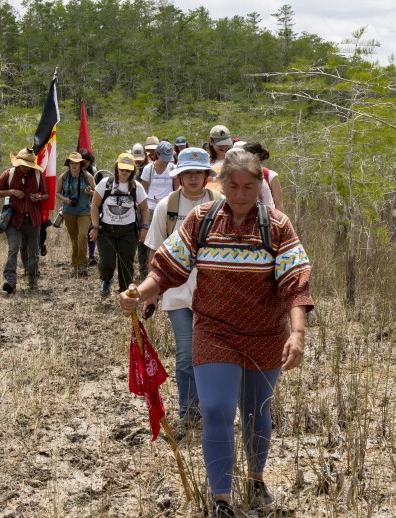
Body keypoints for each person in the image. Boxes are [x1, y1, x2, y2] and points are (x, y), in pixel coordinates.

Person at [119, 150, 313, 516]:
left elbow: (295, 283)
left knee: (257, 412)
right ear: (220, 185)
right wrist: (140, 293)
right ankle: (221, 498)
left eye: (249, 186)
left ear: (260, 185)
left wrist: (297, 332)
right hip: (213, 330)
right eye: (233, 185)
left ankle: (255, 480)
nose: (241, 194)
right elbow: (166, 267)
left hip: (265, 333)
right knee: (216, 409)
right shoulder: (201, 219)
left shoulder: (278, 226)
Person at [143, 146, 220, 434]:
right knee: (186, 354)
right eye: (187, 173)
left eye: (198, 173)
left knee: (211, 355)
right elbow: (155, 250)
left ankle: (209, 409)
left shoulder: (220, 203)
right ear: (179, 176)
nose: (193, 178)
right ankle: (188, 413)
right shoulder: (167, 206)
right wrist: (151, 291)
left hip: (214, 294)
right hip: (176, 293)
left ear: (205, 176)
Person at [0, 148, 49, 294]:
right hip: (14, 219)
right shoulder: (9, 174)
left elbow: (46, 194)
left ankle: (32, 280)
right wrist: (12, 192)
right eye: (24, 164)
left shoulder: (38, 175)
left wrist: (39, 197)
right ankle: (10, 281)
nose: (26, 167)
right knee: (13, 249)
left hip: (33, 219)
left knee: (33, 252)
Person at [91, 152, 150, 297]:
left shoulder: (136, 187)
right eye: (122, 169)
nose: (125, 172)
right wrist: (95, 227)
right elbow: (94, 206)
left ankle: (125, 293)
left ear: (133, 171)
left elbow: (144, 208)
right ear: (117, 168)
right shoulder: (105, 183)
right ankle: (106, 279)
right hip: (106, 230)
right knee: (106, 263)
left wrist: (144, 227)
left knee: (126, 264)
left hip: (128, 231)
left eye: (128, 170)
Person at [139, 140, 176, 281]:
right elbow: (143, 191)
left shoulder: (173, 168)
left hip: (167, 209)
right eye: (163, 158)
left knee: (165, 242)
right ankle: (144, 273)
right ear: (157, 154)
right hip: (150, 208)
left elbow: (176, 188)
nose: (166, 162)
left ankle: (163, 271)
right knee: (146, 242)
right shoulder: (149, 169)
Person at [58, 151, 96, 277]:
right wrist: (65, 200)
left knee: (83, 236)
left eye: (76, 163)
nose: (74, 166)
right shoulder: (63, 177)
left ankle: (83, 265)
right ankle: (75, 265)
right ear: (68, 164)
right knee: (74, 240)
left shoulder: (87, 176)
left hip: (84, 211)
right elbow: (57, 193)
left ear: (81, 165)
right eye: (71, 163)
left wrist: (89, 192)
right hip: (69, 212)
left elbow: (96, 193)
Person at [242, 141, 285, 212]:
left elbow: (279, 204)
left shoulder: (270, 175)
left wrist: (281, 221)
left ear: (257, 156)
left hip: (269, 218)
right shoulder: (243, 175)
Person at [205, 125, 233, 192]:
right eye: (220, 144)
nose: (223, 147)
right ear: (211, 142)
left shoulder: (233, 161)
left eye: (226, 143)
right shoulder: (205, 162)